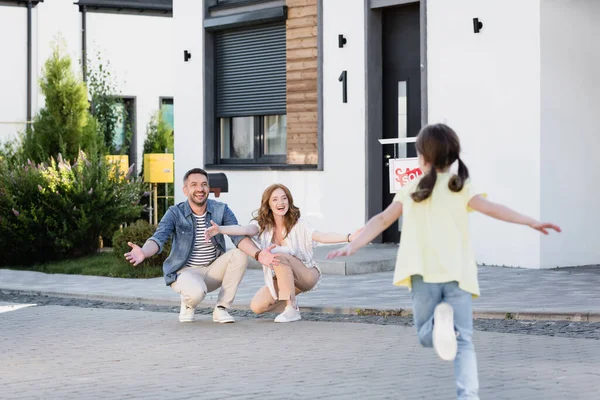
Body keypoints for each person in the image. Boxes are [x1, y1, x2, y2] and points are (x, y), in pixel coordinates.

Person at [327, 123, 561, 400]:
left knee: (427, 336)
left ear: (422, 157)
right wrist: (530, 221)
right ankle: (468, 395)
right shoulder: (460, 187)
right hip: (457, 274)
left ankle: (440, 325)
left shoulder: (412, 189)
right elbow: (495, 209)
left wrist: (353, 245)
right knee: (464, 341)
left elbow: (381, 220)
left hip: (422, 273)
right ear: (452, 157)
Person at [124, 168, 277, 324]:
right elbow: (158, 238)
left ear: (208, 188)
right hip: (184, 272)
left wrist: (258, 254)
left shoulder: (221, 210)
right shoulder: (175, 213)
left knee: (240, 254)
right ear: (185, 190)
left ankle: (221, 309)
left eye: (204, 184)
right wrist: (144, 251)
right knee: (196, 293)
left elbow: (238, 236)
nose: (200, 189)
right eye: (194, 184)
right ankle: (188, 303)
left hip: (212, 271)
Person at [205, 183, 360, 323]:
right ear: (268, 205)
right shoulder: (262, 227)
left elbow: (322, 236)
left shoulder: (299, 225)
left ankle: (291, 308)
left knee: (277, 257)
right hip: (284, 278)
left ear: (289, 201)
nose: (280, 203)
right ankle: (290, 303)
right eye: (275, 200)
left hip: (306, 274)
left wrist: (349, 237)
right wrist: (220, 229)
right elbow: (243, 229)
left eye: (284, 198)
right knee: (257, 306)